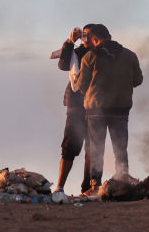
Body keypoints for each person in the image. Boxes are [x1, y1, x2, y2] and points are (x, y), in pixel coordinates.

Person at [76, 24, 142, 192]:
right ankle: (123, 180)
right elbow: (138, 80)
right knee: (120, 147)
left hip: (96, 110)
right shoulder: (130, 56)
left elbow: (82, 85)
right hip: (121, 110)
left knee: (96, 148)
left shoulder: (90, 57)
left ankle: (95, 186)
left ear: (95, 38)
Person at [53, 24, 95, 194]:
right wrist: (70, 41)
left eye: (89, 36)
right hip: (76, 105)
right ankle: (60, 187)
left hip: (96, 105)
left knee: (92, 148)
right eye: (83, 35)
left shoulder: (103, 54)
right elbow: (63, 65)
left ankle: (87, 188)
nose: (85, 39)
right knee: (69, 146)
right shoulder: (76, 52)